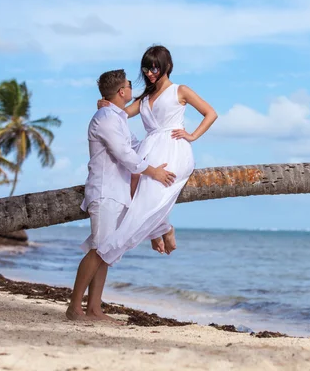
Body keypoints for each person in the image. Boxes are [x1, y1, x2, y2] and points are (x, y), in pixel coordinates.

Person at [66, 69, 176, 322]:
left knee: (106, 252)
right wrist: (154, 173)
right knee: (99, 250)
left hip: (117, 194)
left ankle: (94, 308)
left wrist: (167, 139)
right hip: (105, 192)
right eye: (128, 85)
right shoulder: (105, 117)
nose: (131, 88)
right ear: (121, 92)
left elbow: (136, 146)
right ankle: (74, 308)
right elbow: (124, 155)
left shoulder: (117, 118)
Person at [96, 44, 217, 261]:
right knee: (133, 186)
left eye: (154, 69)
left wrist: (192, 135)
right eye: (146, 70)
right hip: (150, 147)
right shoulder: (143, 98)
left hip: (173, 147)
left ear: (167, 66)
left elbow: (210, 113)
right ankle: (161, 230)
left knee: (150, 190)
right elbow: (120, 114)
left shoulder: (180, 90)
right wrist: (105, 105)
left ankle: (160, 231)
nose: (150, 74)